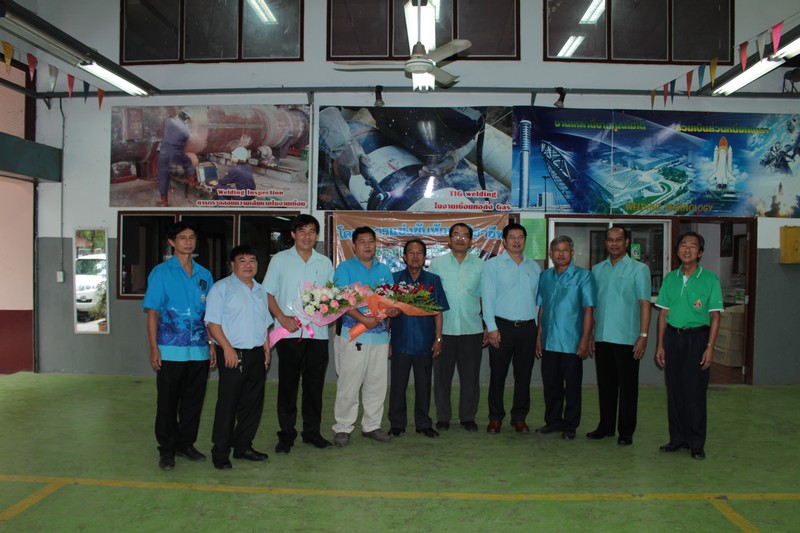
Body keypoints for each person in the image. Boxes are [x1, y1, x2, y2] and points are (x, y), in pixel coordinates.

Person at [143, 221, 215, 471]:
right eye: (182, 237)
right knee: (167, 403)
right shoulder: (161, 273)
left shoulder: (204, 275)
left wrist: (211, 344)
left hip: (199, 350)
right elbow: (153, 313)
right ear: (172, 242)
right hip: (170, 349)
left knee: (193, 402)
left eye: (192, 237)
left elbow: (209, 315)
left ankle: (186, 444)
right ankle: (167, 449)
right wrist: (154, 348)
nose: (188, 242)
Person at [264, 214, 335, 454]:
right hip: (289, 333)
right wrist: (282, 318)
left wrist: (327, 311)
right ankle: (286, 435)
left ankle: (312, 432)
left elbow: (332, 297)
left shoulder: (324, 262)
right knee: (288, 386)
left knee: (314, 386)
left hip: (317, 334)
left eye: (312, 231)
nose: (307, 236)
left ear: (317, 235)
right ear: (293, 234)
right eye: (302, 231)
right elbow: (268, 294)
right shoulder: (279, 260)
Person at [655, 231, 722, 460]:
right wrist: (660, 345)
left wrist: (710, 347)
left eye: (693, 246)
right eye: (683, 245)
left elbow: (715, 316)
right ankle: (677, 439)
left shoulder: (710, 279)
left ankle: (696, 443)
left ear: (700, 253)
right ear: (677, 250)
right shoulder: (670, 279)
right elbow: (663, 314)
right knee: (674, 391)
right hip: (673, 338)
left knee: (695, 392)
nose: (687, 249)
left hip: (698, 339)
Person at [205, 245, 272, 470]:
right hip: (233, 354)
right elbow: (213, 323)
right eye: (242, 261)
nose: (248, 265)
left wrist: (266, 349)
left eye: (252, 260)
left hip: (256, 354)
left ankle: (243, 446)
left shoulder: (261, 290)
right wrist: (227, 348)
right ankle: (220, 452)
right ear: (232, 265)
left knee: (252, 405)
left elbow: (264, 323)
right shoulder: (221, 288)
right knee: (228, 405)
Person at [331, 227, 399, 447]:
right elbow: (340, 300)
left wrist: (393, 311)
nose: (367, 245)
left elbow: (390, 301)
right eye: (362, 242)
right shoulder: (345, 268)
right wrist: (363, 319)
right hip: (353, 335)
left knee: (377, 384)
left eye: (371, 241)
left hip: (380, 337)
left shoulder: (384, 270)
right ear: (354, 246)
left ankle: (372, 425)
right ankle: (343, 427)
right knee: (349, 384)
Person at [588, 227, 651, 446]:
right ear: (605, 243)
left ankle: (626, 431)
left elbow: (645, 304)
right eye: (610, 240)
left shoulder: (639, 269)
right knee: (605, 385)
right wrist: (590, 334)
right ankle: (605, 426)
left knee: (627, 387)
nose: (614, 244)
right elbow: (593, 306)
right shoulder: (597, 270)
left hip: (627, 338)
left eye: (619, 240)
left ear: (626, 243)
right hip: (602, 337)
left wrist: (643, 336)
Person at [482, 223, 541, 434]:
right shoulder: (493, 265)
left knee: (523, 376)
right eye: (512, 237)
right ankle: (495, 417)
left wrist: (536, 330)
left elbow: (537, 300)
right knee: (498, 375)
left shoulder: (534, 267)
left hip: (527, 328)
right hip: (501, 328)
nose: (517, 241)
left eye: (520, 237)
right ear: (504, 241)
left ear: (525, 240)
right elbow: (487, 297)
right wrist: (491, 327)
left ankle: (519, 417)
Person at [535, 235, 596, 440]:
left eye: (565, 250)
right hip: (549, 341)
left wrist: (585, 339)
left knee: (572, 387)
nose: (561, 254)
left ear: (572, 253)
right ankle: (552, 421)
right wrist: (539, 336)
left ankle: (570, 425)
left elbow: (588, 310)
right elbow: (542, 308)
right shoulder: (545, 276)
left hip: (572, 342)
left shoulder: (584, 276)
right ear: (551, 254)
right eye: (557, 250)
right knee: (551, 385)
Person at [387, 239, 449, 439]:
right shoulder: (394, 279)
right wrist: (387, 340)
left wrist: (438, 339)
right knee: (398, 386)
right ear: (404, 257)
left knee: (424, 385)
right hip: (400, 341)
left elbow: (438, 312)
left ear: (425, 257)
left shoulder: (433, 280)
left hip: (424, 342)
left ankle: (423, 423)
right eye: (411, 253)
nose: (415, 256)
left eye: (419, 253)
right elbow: (386, 313)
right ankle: (397, 423)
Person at [428, 223, 487, 432]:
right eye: (456, 235)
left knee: (470, 377)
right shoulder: (437, 264)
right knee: (442, 378)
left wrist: (487, 325)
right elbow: (430, 299)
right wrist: (434, 333)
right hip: (444, 330)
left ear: (471, 241)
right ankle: (443, 417)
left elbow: (484, 298)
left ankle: (468, 417)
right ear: (449, 240)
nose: (460, 238)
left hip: (472, 329)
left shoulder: (481, 265)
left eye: (465, 235)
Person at [157, 108, 196, 207]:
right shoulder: (186, 132)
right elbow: (184, 143)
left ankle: (164, 201)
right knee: (188, 161)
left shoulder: (168, 121)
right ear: (187, 119)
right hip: (175, 154)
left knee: (163, 177)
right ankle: (191, 181)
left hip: (163, 154)